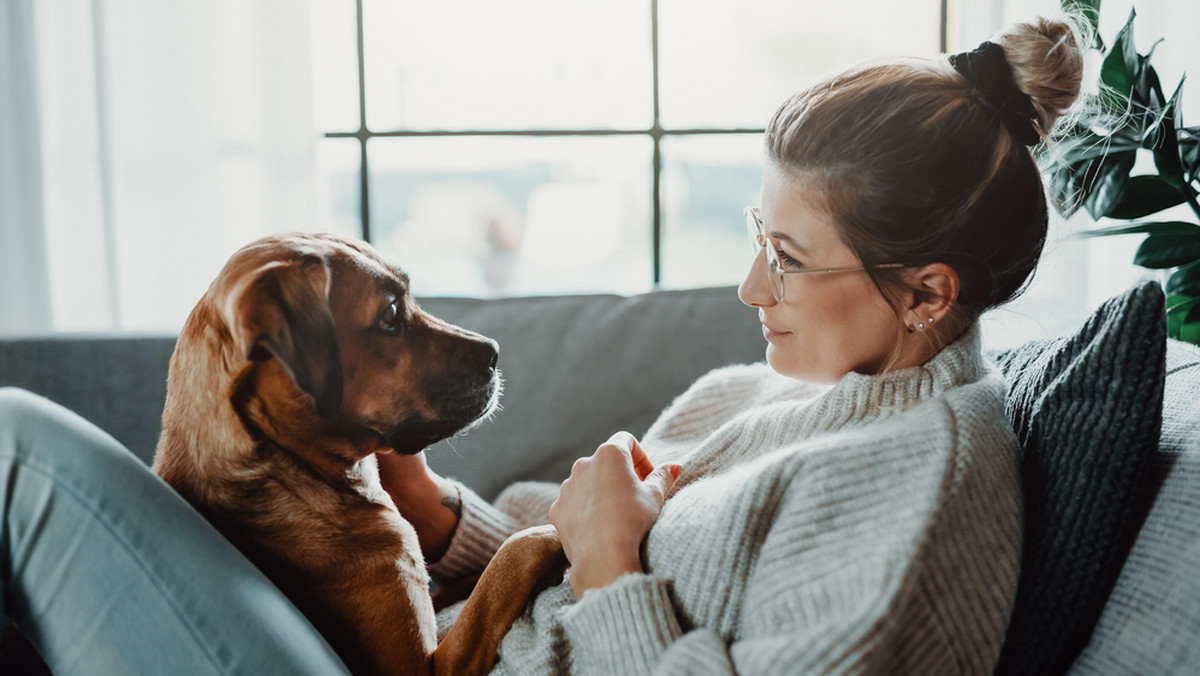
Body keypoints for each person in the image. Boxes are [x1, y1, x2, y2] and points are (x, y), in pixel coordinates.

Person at [0, 16, 1084, 676]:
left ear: (927, 292)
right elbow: (550, 534)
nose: (751, 286)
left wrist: (612, 565)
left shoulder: (921, 488)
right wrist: (437, 519)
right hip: (402, 646)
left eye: (788, 258)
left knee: (13, 451)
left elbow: (592, 558)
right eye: (759, 239)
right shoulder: (752, 392)